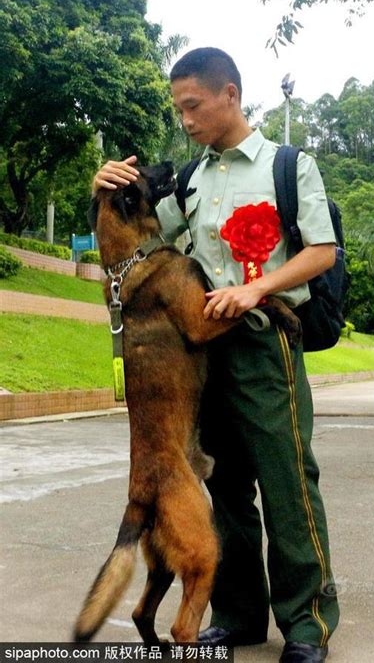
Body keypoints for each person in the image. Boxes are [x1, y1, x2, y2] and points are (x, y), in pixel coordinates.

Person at [93, 47, 340, 663]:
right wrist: (105, 188)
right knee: (226, 492)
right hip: (204, 356)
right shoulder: (192, 180)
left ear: (229, 93)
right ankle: (237, 616)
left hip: (265, 344)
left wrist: (257, 287)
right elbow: (142, 244)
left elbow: (322, 251)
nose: (185, 120)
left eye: (192, 106)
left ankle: (307, 626)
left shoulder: (288, 166)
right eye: (179, 109)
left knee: (289, 488)